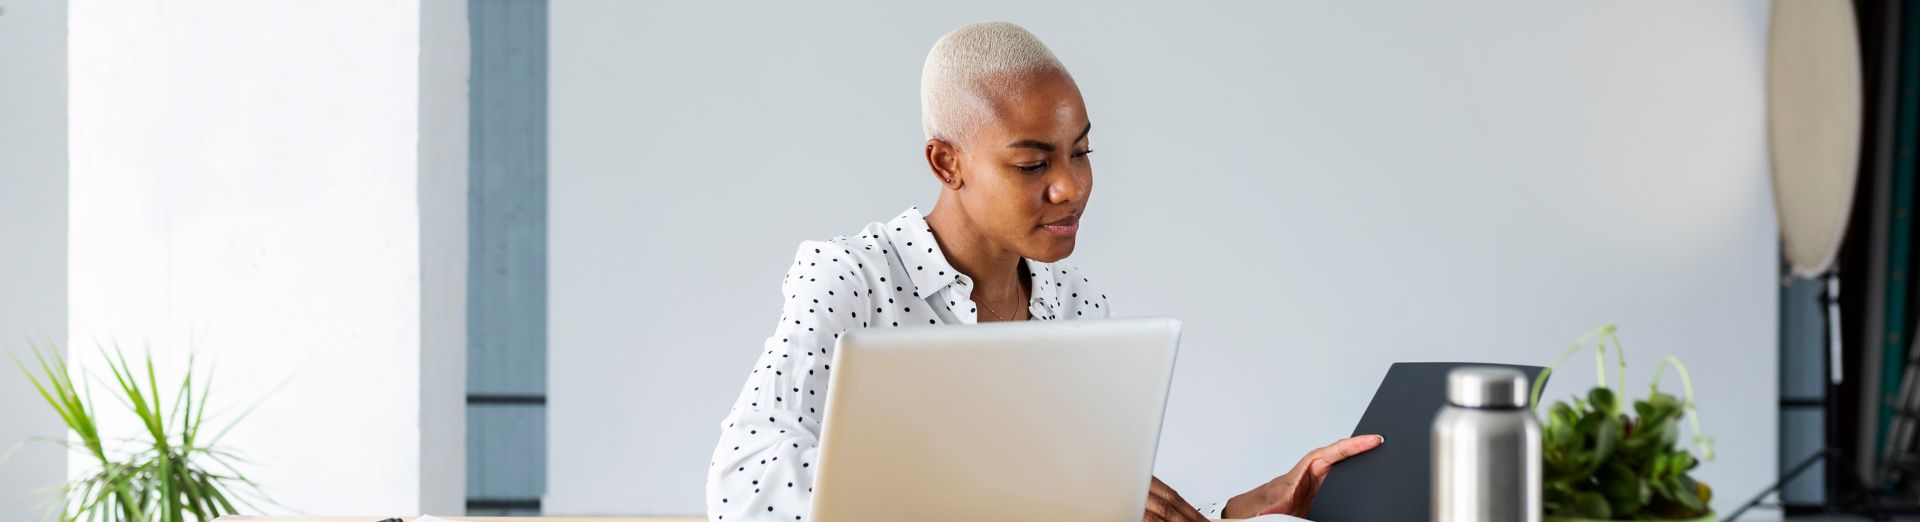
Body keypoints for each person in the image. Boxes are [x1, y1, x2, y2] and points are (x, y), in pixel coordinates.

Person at [705, 20, 1381, 522]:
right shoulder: (855, 278)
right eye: (1032, 164)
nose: (1070, 187)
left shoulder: (1074, 303)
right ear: (947, 163)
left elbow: (1092, 505)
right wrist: (992, 495)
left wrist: (1244, 507)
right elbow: (740, 487)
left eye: (1080, 152)